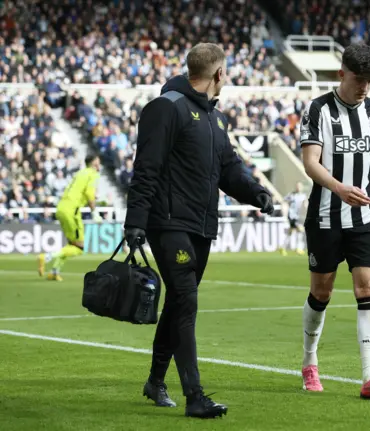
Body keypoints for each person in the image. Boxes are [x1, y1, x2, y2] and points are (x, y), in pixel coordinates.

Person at [123, 43, 274, 419]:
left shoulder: (215, 119)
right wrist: (136, 221)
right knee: (186, 302)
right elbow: (146, 168)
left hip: (202, 226)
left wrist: (257, 193)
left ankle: (155, 381)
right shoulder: (166, 107)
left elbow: (229, 170)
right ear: (219, 73)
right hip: (168, 222)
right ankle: (195, 396)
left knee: (177, 304)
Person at [298, 42, 370, 399]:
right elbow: (311, 162)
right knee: (321, 291)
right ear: (342, 74)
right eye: (360, 80)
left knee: (368, 287)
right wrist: (339, 188)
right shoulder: (318, 109)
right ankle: (310, 362)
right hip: (326, 214)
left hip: (365, 217)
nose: (365, 87)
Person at [38, 155, 102, 280]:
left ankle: (54, 272)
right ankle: (46, 257)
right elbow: (90, 194)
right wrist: (95, 212)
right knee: (79, 247)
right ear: (94, 163)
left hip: (61, 207)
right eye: (98, 162)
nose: (99, 165)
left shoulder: (80, 173)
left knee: (71, 244)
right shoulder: (93, 173)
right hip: (72, 211)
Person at [280, 181, 307, 256]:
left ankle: (282, 247)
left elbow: (305, 204)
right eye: (297, 186)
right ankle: (298, 248)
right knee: (300, 229)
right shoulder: (291, 195)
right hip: (291, 215)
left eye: (300, 186)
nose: (298, 187)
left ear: (302, 187)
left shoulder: (303, 196)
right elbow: (284, 201)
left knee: (290, 232)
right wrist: (284, 212)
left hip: (297, 216)